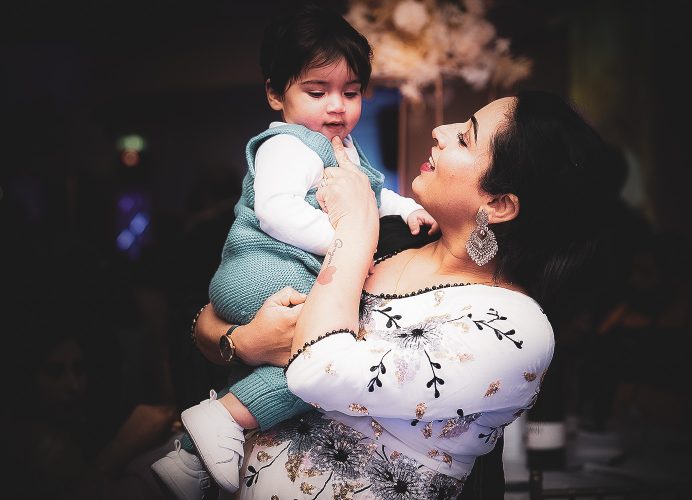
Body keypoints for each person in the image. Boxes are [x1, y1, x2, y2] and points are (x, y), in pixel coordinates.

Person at [191, 91, 619, 499]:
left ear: (500, 204)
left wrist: (354, 227)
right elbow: (209, 316)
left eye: (465, 138)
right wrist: (240, 343)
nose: (440, 131)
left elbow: (316, 373)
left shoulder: (515, 328)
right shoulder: (393, 235)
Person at [151, 3, 436, 498]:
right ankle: (220, 418)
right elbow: (276, 212)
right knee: (324, 361)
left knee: (309, 368)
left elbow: (371, 195)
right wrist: (350, 243)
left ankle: (193, 455)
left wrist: (406, 208)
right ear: (274, 93)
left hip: (285, 272)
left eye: (351, 93)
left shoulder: (344, 149)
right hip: (260, 268)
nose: (336, 107)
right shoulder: (287, 145)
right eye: (316, 92)